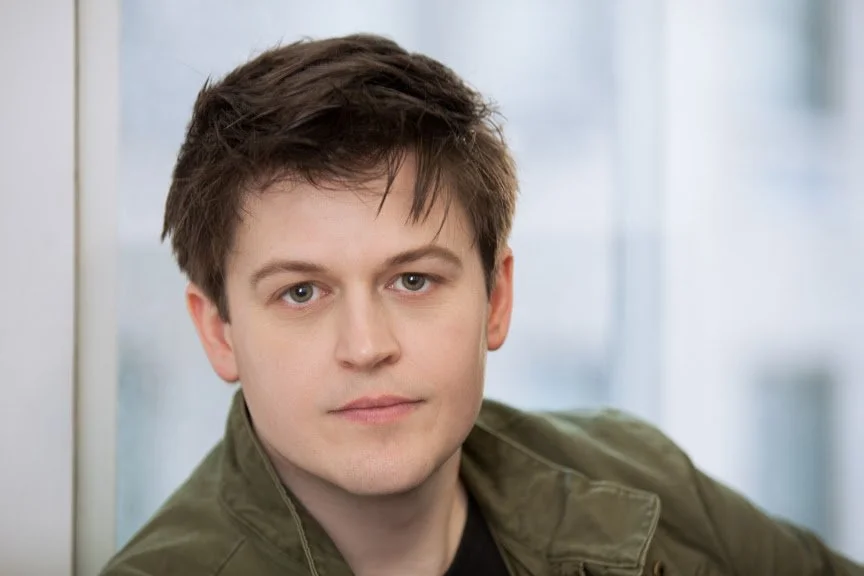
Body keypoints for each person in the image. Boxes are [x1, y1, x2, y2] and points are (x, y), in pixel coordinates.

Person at [101, 33, 863, 576]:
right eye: (301, 293)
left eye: (413, 280)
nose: (366, 346)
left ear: (497, 298)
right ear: (219, 332)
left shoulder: (638, 474)